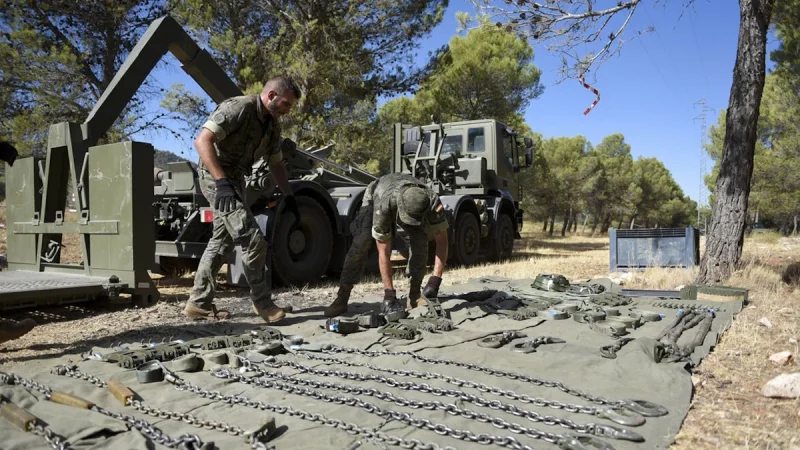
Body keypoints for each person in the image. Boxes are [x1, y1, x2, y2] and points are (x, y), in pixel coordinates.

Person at [182, 76, 301, 324]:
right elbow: (202, 141)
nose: (287, 110)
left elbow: (276, 163)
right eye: (286, 104)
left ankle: (197, 304)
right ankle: (263, 303)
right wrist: (221, 183)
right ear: (271, 96)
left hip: (235, 180)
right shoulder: (239, 107)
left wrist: (289, 195)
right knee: (253, 240)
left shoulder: (272, 125)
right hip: (215, 177)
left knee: (221, 242)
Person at [324, 173, 449, 317]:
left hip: (403, 198)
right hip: (379, 194)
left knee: (420, 241)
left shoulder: (432, 201)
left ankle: (414, 296)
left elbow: (442, 242)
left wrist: (435, 281)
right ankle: (342, 298)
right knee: (361, 243)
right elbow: (384, 252)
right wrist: (389, 294)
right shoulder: (383, 204)